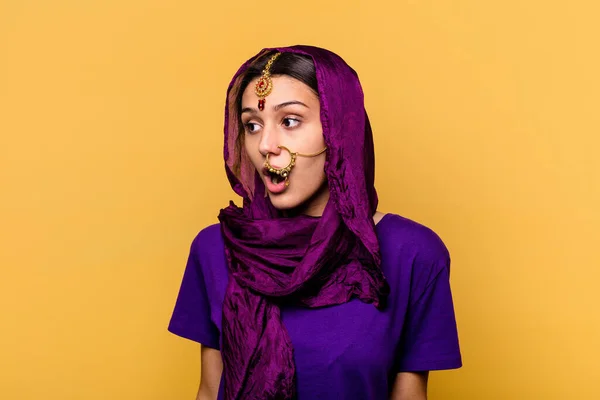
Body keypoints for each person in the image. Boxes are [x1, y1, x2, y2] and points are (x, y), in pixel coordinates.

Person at [168, 45, 462, 400]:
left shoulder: (411, 253)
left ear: (339, 130)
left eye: (289, 121)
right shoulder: (216, 249)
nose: (265, 145)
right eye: (252, 125)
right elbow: (210, 390)